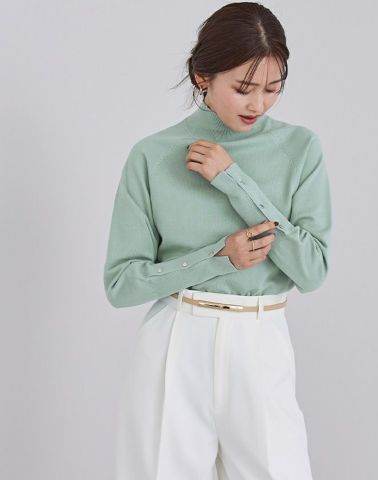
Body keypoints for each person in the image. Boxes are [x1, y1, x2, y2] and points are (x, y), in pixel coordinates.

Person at [103, 2, 332, 479]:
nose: (258, 105)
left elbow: (312, 270)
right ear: (202, 76)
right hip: (176, 340)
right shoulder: (152, 156)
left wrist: (234, 181)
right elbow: (121, 285)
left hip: (261, 339)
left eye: (273, 88)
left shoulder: (300, 148)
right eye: (243, 89)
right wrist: (219, 258)